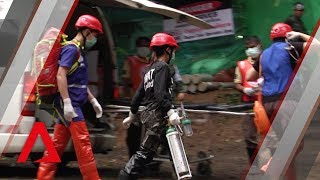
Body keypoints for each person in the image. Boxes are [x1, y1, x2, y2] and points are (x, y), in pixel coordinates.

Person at [37, 15, 104, 180]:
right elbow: (61, 75)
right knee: (83, 143)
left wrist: (93, 100)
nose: (95, 39)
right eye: (95, 35)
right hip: (70, 104)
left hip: (74, 103)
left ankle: (42, 177)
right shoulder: (71, 49)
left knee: (57, 144)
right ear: (87, 31)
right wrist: (67, 103)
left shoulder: (78, 51)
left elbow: (79, 82)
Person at [246, 23, 313, 179]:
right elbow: (317, 45)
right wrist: (300, 35)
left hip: (268, 104)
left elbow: (250, 76)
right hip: (287, 102)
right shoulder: (291, 47)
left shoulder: (264, 55)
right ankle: (273, 162)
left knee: (285, 144)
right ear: (288, 35)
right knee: (297, 144)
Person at [119, 32, 180, 179]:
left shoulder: (149, 70)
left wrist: (131, 115)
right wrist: (171, 111)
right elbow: (160, 94)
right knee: (145, 153)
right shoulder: (163, 67)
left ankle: (182, 175)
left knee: (174, 150)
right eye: (173, 49)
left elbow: (138, 95)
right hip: (159, 117)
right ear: (167, 50)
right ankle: (125, 176)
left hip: (150, 115)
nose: (173, 53)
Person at [234, 36, 262, 164]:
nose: (251, 50)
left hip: (265, 101)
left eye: (253, 47)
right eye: (248, 48)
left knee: (271, 134)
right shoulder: (241, 65)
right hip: (248, 103)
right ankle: (254, 164)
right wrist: (244, 89)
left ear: (259, 46)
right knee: (249, 135)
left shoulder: (266, 61)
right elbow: (237, 83)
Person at [122, 37, 151, 158]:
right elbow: (126, 81)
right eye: (141, 45)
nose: (144, 48)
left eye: (146, 46)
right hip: (135, 102)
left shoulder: (153, 62)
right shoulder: (130, 61)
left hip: (150, 103)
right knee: (134, 133)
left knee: (149, 134)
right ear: (137, 47)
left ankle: (148, 160)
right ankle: (133, 159)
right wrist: (128, 99)